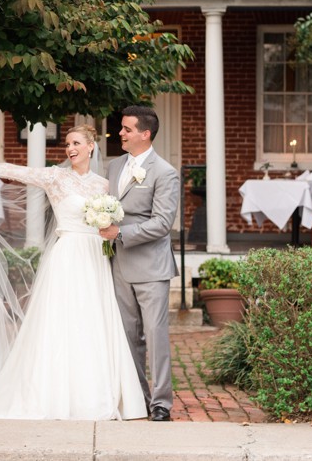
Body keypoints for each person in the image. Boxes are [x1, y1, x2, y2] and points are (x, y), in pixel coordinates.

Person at [0, 125, 146, 420]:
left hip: (96, 258)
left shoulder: (104, 185)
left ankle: (97, 393)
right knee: (61, 324)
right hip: (68, 256)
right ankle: (56, 395)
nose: (70, 148)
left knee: (94, 321)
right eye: (68, 143)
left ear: (91, 147)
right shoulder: (56, 178)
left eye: (76, 143)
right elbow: (18, 171)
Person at [98, 105, 180, 422]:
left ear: (145, 134)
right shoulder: (115, 166)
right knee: (128, 337)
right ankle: (138, 398)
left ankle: (161, 403)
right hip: (119, 265)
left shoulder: (165, 172)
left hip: (151, 267)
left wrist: (121, 232)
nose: (120, 133)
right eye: (122, 128)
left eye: (127, 129)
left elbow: (162, 223)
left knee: (155, 336)